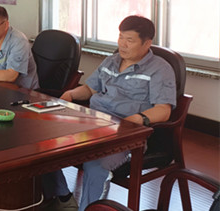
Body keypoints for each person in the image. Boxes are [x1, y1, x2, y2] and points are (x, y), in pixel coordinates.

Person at [42, 15, 176, 211]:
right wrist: (70, 94)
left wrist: (137, 119)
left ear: (147, 43)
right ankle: (62, 197)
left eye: (129, 40)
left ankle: (88, 209)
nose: (122, 44)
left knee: (95, 165)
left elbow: (163, 110)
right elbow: (90, 89)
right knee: (44, 145)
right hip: (93, 123)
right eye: (120, 37)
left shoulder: (160, 69)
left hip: (126, 133)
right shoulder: (111, 61)